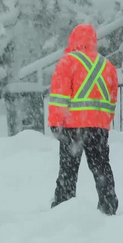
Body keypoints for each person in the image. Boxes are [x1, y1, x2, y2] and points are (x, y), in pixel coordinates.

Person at [48, 24, 119, 215]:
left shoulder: (67, 62)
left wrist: (56, 123)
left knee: (68, 169)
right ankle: (108, 204)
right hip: (98, 127)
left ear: (73, 40)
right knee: (101, 167)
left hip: (73, 127)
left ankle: (64, 204)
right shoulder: (108, 66)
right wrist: (104, 121)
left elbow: (59, 97)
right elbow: (112, 100)